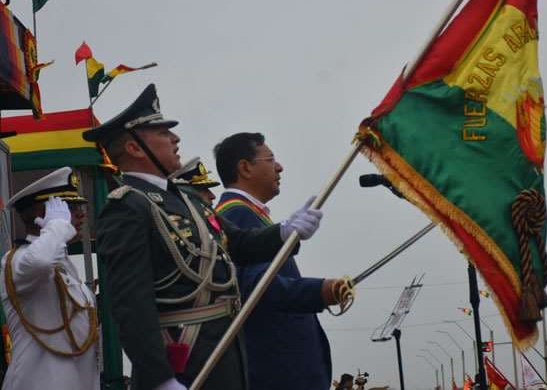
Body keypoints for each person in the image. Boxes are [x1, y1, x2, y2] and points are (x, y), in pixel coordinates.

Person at [82, 84, 328, 390]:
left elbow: (237, 244)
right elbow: (131, 304)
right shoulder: (127, 207)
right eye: (162, 133)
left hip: (224, 355)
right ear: (134, 148)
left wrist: (285, 232)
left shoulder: (187, 198)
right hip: (183, 362)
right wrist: (160, 379)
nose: (175, 138)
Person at [214, 132, 346, 390]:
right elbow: (257, 288)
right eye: (270, 159)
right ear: (245, 168)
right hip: (276, 370)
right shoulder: (236, 215)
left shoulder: (251, 215)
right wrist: (320, 292)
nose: (279, 166)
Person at [0, 167, 99, 390]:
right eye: (69, 208)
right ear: (39, 214)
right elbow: (40, 262)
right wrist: (57, 226)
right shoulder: (15, 261)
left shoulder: (64, 264)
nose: (80, 214)